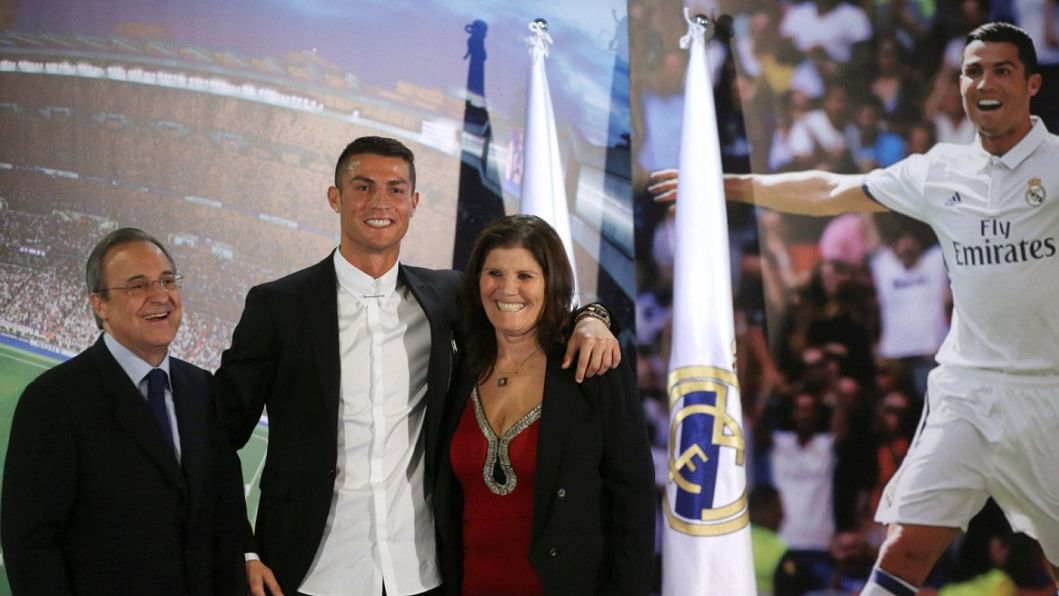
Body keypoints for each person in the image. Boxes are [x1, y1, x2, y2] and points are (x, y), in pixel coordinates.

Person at [651, 21, 1059, 596]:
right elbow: (830, 191)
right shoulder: (941, 171)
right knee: (904, 548)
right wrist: (730, 184)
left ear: (1032, 84)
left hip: (1047, 394)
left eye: (1002, 71)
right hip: (967, 392)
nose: (985, 83)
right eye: (973, 71)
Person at [214, 137, 620, 595]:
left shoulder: (447, 297)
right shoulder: (278, 307)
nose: (380, 202)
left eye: (395, 189)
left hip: (422, 573)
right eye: (363, 187)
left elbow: (529, 308)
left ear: (414, 203)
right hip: (309, 573)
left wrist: (594, 317)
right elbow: (216, 437)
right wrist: (244, 549)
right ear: (335, 197)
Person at [1, 228, 246, 595]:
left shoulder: (201, 389)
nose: (160, 295)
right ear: (99, 305)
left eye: (167, 280)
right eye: (137, 286)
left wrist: (247, 560)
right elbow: (31, 547)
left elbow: (223, 506)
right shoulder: (53, 401)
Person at [433, 214, 655, 595]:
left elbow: (633, 501)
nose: (507, 289)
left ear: (552, 284)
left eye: (525, 276)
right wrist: (596, 314)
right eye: (494, 273)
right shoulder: (458, 362)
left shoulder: (591, 365)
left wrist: (594, 317)